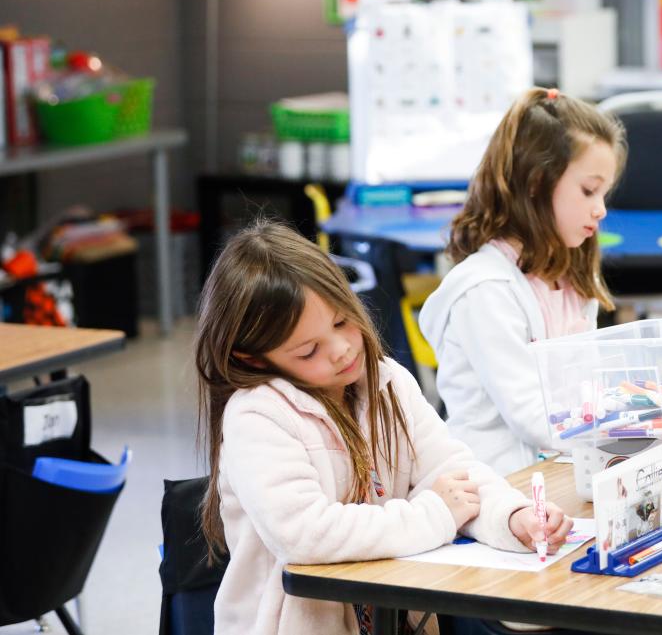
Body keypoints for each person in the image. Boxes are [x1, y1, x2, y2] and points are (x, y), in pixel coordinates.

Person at [196, 220, 572, 635]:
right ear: (253, 359)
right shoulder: (258, 416)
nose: (341, 351)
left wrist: (512, 517)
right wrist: (434, 515)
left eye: (341, 323)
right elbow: (304, 535)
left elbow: (451, 473)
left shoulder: (386, 381)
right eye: (309, 350)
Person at [420, 87, 626, 474]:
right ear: (535, 183)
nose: (600, 210)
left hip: (561, 475)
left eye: (604, 194)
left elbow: (588, 395)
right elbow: (533, 417)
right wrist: (631, 429)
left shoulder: (573, 278)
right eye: (588, 190)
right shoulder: (485, 291)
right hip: (498, 490)